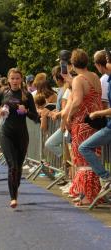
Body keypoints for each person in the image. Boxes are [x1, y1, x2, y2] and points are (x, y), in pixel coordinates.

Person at [0, 68, 39, 208]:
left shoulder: (27, 95)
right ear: (8, 79)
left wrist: (26, 111)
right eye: (12, 78)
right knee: (12, 166)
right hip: (6, 134)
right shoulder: (3, 92)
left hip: (22, 135)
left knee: (18, 167)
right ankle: (13, 198)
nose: (15, 81)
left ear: (21, 79)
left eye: (17, 78)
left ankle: (15, 190)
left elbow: (35, 117)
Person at [66, 49, 103, 206]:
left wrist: (69, 116)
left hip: (82, 123)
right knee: (90, 157)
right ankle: (89, 193)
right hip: (95, 121)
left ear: (73, 65)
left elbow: (78, 101)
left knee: (83, 159)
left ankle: (87, 196)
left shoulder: (78, 79)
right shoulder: (95, 76)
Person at [78, 56, 111, 195]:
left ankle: (106, 177)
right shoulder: (106, 80)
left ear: (99, 65)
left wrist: (97, 113)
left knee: (84, 147)